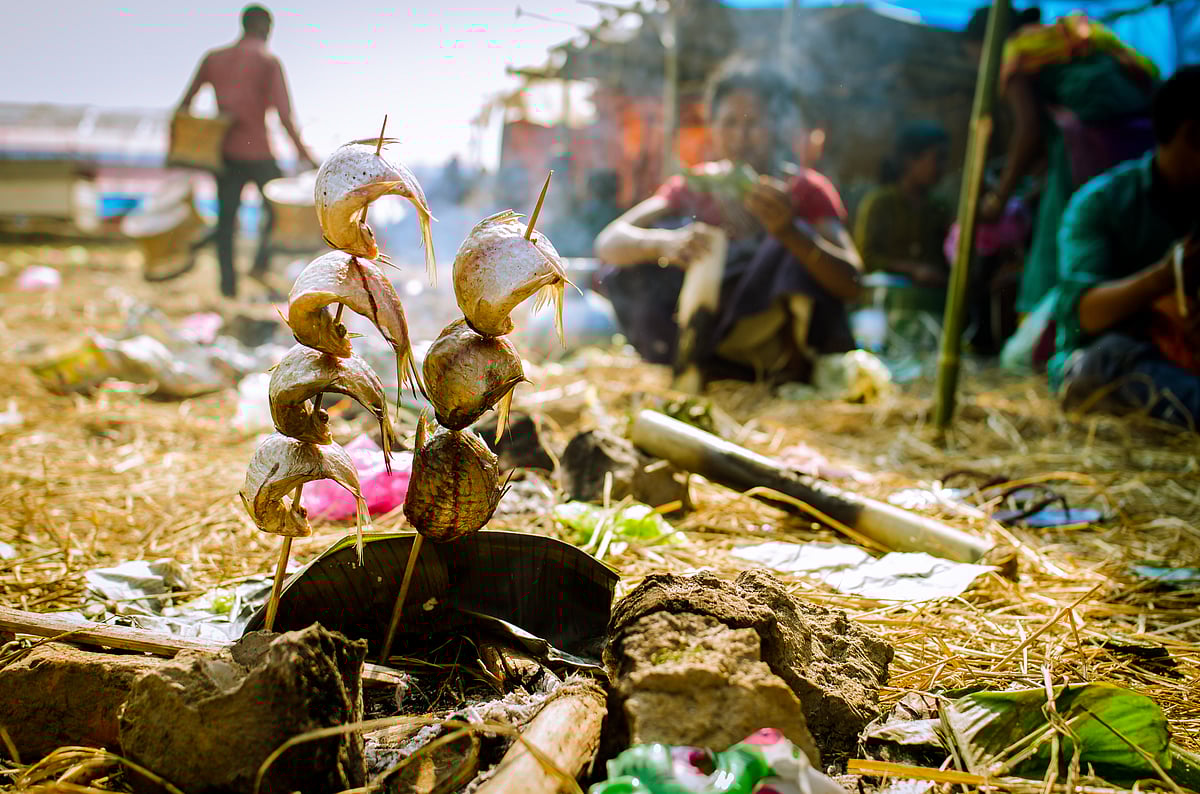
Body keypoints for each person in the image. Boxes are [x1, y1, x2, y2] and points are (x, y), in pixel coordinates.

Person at [594, 58, 862, 391]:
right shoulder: (695, 185)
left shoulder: (803, 190)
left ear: (777, 126)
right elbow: (609, 241)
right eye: (729, 123)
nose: (740, 137)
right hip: (704, 338)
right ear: (713, 127)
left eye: (753, 124)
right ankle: (692, 365)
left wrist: (789, 233)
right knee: (637, 262)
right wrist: (665, 244)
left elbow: (852, 281)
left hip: (773, 346)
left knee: (791, 249)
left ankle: (783, 370)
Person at [965, 6, 1159, 317]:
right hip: (1142, 142)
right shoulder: (1059, 43)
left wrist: (999, 200)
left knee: (1057, 240)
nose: (975, 66)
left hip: (1094, 146)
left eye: (973, 56)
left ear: (985, 46)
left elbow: (1028, 132)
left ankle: (1048, 329)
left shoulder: (1015, 54)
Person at [1050, 66, 1200, 428]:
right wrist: (1165, 278)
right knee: (1106, 360)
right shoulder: (1102, 202)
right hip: (1113, 358)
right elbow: (1084, 312)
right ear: (1189, 134)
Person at [177, 4, 316, 298]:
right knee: (278, 213)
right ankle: (259, 264)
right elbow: (284, 116)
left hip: (224, 154)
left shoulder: (213, 59)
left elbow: (184, 107)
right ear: (266, 28)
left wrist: (197, 142)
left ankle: (227, 288)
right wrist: (306, 155)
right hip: (260, 153)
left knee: (226, 222)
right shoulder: (268, 61)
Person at [854, 121, 952, 288]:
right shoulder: (879, 203)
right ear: (910, 160)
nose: (942, 168)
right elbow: (865, 259)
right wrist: (913, 270)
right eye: (937, 159)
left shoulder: (939, 208)